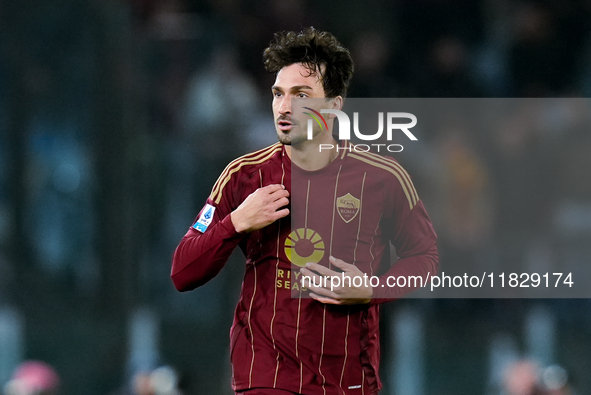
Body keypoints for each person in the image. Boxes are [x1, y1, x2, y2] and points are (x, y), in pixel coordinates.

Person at [171, 27, 438, 395]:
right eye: (278, 94)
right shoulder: (244, 176)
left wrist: (371, 288)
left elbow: (424, 256)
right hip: (266, 375)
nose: (284, 106)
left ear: (333, 106)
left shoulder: (383, 178)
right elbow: (183, 271)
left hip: (348, 379)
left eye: (301, 95)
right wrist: (236, 222)